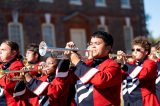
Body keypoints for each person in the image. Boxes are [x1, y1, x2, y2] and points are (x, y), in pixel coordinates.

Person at [64, 31, 122, 106]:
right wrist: (66, 58)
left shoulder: (113, 65)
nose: (93, 46)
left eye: (97, 44)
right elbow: (63, 79)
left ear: (108, 48)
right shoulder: (86, 65)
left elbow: (101, 81)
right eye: (91, 44)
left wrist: (78, 62)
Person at [117, 36, 159, 106]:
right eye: (133, 50)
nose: (134, 52)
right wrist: (118, 63)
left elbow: (142, 73)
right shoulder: (130, 65)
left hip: (146, 102)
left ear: (146, 52)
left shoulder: (150, 63)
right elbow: (118, 77)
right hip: (130, 102)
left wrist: (124, 65)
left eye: (138, 50)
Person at [0, 40, 24, 105]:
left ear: (13, 53)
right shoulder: (2, 65)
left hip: (11, 103)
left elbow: (8, 83)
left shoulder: (17, 65)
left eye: (3, 50)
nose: (0, 52)